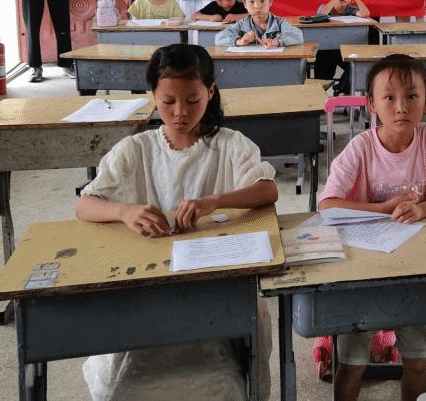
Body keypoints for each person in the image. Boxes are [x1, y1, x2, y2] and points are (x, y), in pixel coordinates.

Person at [76, 43, 278, 401]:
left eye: (192, 100)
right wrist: (124, 211)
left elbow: (267, 190)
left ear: (211, 92)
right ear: (152, 96)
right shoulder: (136, 150)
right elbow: (85, 205)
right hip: (148, 286)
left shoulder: (231, 145)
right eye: (168, 101)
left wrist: (215, 201)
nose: (180, 112)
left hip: (216, 286)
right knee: (122, 368)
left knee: (247, 330)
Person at [319, 53, 426, 401]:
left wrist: (422, 208)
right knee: (352, 364)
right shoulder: (362, 146)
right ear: (371, 104)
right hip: (363, 271)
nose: (401, 107)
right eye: (389, 98)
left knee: (419, 360)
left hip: (414, 267)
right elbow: (327, 204)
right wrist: (381, 208)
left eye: (412, 96)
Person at [313, 0, 371, 93]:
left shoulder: (350, 10)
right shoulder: (325, 7)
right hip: (326, 51)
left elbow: (365, 13)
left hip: (343, 51)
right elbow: (322, 14)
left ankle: (341, 92)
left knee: (354, 65)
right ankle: (320, 95)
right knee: (323, 71)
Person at [215, 0, 303, 47]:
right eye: (251, 2)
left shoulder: (279, 23)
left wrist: (277, 41)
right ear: (245, 4)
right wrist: (239, 41)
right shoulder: (241, 24)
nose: (257, 6)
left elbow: (298, 36)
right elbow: (219, 38)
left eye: (262, 1)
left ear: (270, 1)